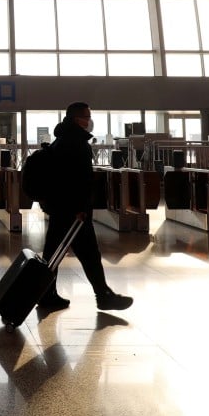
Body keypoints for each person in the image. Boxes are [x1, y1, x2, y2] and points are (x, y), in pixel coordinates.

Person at [38, 102, 133, 312]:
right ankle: (102, 296)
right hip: (74, 211)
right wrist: (80, 208)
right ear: (76, 119)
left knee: (55, 252)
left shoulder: (62, 139)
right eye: (87, 116)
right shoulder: (75, 142)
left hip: (61, 208)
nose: (89, 120)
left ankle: (47, 294)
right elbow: (75, 180)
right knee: (88, 253)